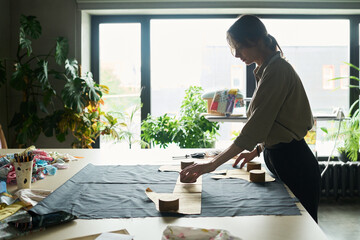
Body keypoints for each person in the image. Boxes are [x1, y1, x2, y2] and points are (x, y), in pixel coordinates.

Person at [180, 15, 321, 223]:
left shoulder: (277, 71)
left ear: (256, 41)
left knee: (299, 230)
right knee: (283, 229)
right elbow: (275, 123)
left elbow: (255, 128)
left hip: (295, 164)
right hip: (282, 159)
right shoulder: (268, 70)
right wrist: (257, 150)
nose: (236, 55)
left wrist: (210, 165)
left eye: (239, 47)